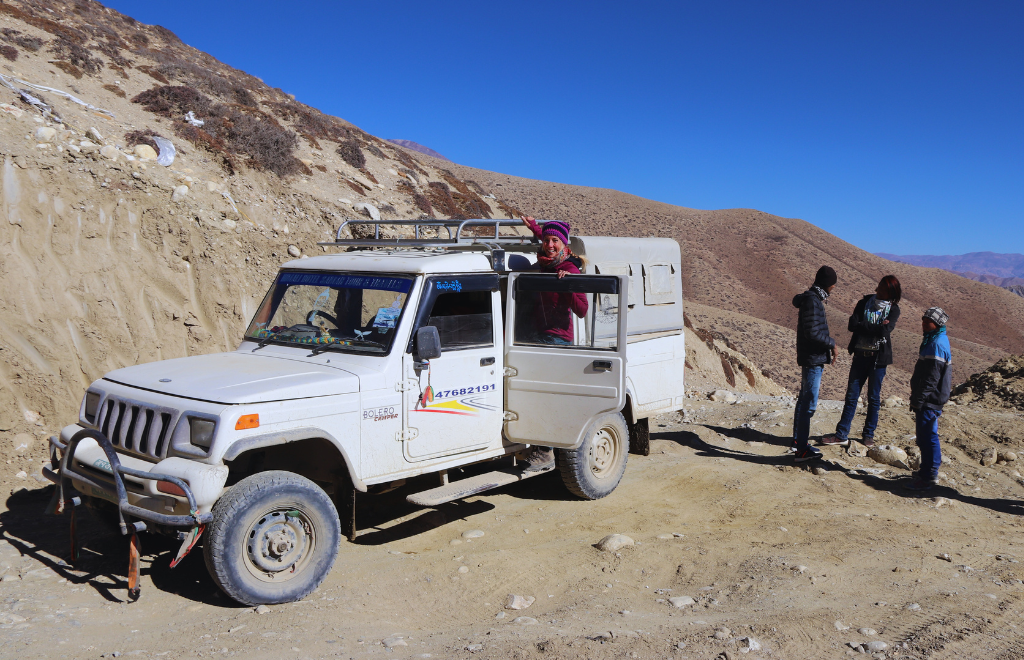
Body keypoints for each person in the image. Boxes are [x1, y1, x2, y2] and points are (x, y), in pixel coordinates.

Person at [518, 216, 589, 473]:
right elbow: (547, 236)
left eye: (555, 241)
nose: (549, 244)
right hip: (538, 336)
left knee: (545, 396)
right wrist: (535, 227)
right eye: (546, 240)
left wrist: (568, 285)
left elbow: (582, 310)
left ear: (564, 244)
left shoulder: (568, 269)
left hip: (558, 340)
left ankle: (546, 451)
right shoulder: (547, 262)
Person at [821, 275, 902, 448]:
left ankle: (868, 435)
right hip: (860, 356)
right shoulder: (863, 303)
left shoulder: (894, 310)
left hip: (878, 360)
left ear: (890, 292)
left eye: (883, 287)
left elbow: (885, 331)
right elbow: (852, 325)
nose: (878, 287)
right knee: (851, 396)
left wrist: (866, 326)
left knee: (873, 398)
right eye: (880, 284)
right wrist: (877, 327)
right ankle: (841, 434)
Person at [790, 266, 838, 462]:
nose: (834, 288)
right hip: (812, 359)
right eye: (833, 284)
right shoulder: (812, 301)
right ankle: (801, 449)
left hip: (812, 358)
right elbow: (811, 332)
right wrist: (832, 343)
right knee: (808, 405)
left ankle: (798, 442)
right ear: (828, 284)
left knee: (803, 402)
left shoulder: (813, 299)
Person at [905, 307, 952, 491]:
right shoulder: (934, 340)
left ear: (937, 324)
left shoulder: (936, 344)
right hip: (929, 398)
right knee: (925, 436)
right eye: (923, 320)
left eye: (927, 321)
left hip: (930, 399)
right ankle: (926, 472)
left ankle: (928, 476)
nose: (923, 324)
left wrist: (919, 399)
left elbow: (932, 378)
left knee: (927, 436)